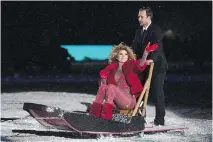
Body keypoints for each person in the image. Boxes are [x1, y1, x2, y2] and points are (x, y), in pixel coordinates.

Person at [89, 42, 159, 120]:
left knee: (111, 87)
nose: (123, 56)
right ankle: (93, 115)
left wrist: (146, 53)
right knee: (103, 87)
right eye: (121, 54)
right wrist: (103, 78)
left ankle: (106, 117)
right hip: (115, 102)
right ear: (116, 56)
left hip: (128, 101)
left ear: (128, 56)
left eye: (126, 54)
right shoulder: (111, 68)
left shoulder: (131, 65)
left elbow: (140, 65)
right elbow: (104, 89)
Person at [132, 7, 168, 126]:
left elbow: (157, 46)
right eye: (138, 16)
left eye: (141, 16)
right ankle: (140, 117)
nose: (139, 19)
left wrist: (152, 58)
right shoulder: (139, 31)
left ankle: (160, 120)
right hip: (143, 66)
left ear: (148, 17)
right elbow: (135, 48)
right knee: (138, 91)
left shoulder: (156, 30)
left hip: (157, 66)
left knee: (157, 92)